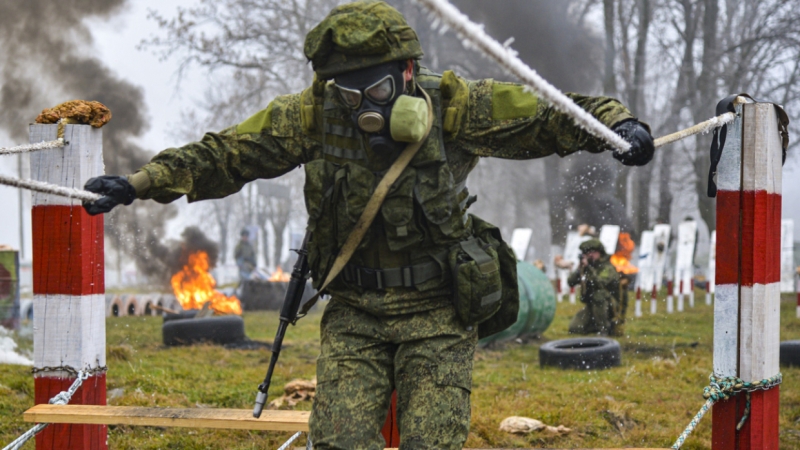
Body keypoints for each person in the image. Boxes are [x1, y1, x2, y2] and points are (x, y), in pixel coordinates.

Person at [80, 2, 654, 448]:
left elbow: (551, 113)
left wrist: (617, 127)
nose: (363, 108)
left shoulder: (452, 105)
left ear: (408, 72)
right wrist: (141, 183)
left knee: (432, 443)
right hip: (355, 310)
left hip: (438, 310)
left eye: (377, 91)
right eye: (349, 93)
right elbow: (227, 154)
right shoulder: (311, 115)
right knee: (336, 442)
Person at [567, 239, 621, 335]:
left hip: (610, 306)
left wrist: (589, 269)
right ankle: (597, 325)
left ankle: (604, 329)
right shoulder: (587, 268)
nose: (590, 255)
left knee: (599, 295)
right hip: (593, 306)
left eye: (593, 252)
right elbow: (570, 282)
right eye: (587, 253)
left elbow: (600, 284)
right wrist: (579, 270)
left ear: (600, 253)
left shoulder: (607, 268)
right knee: (575, 328)